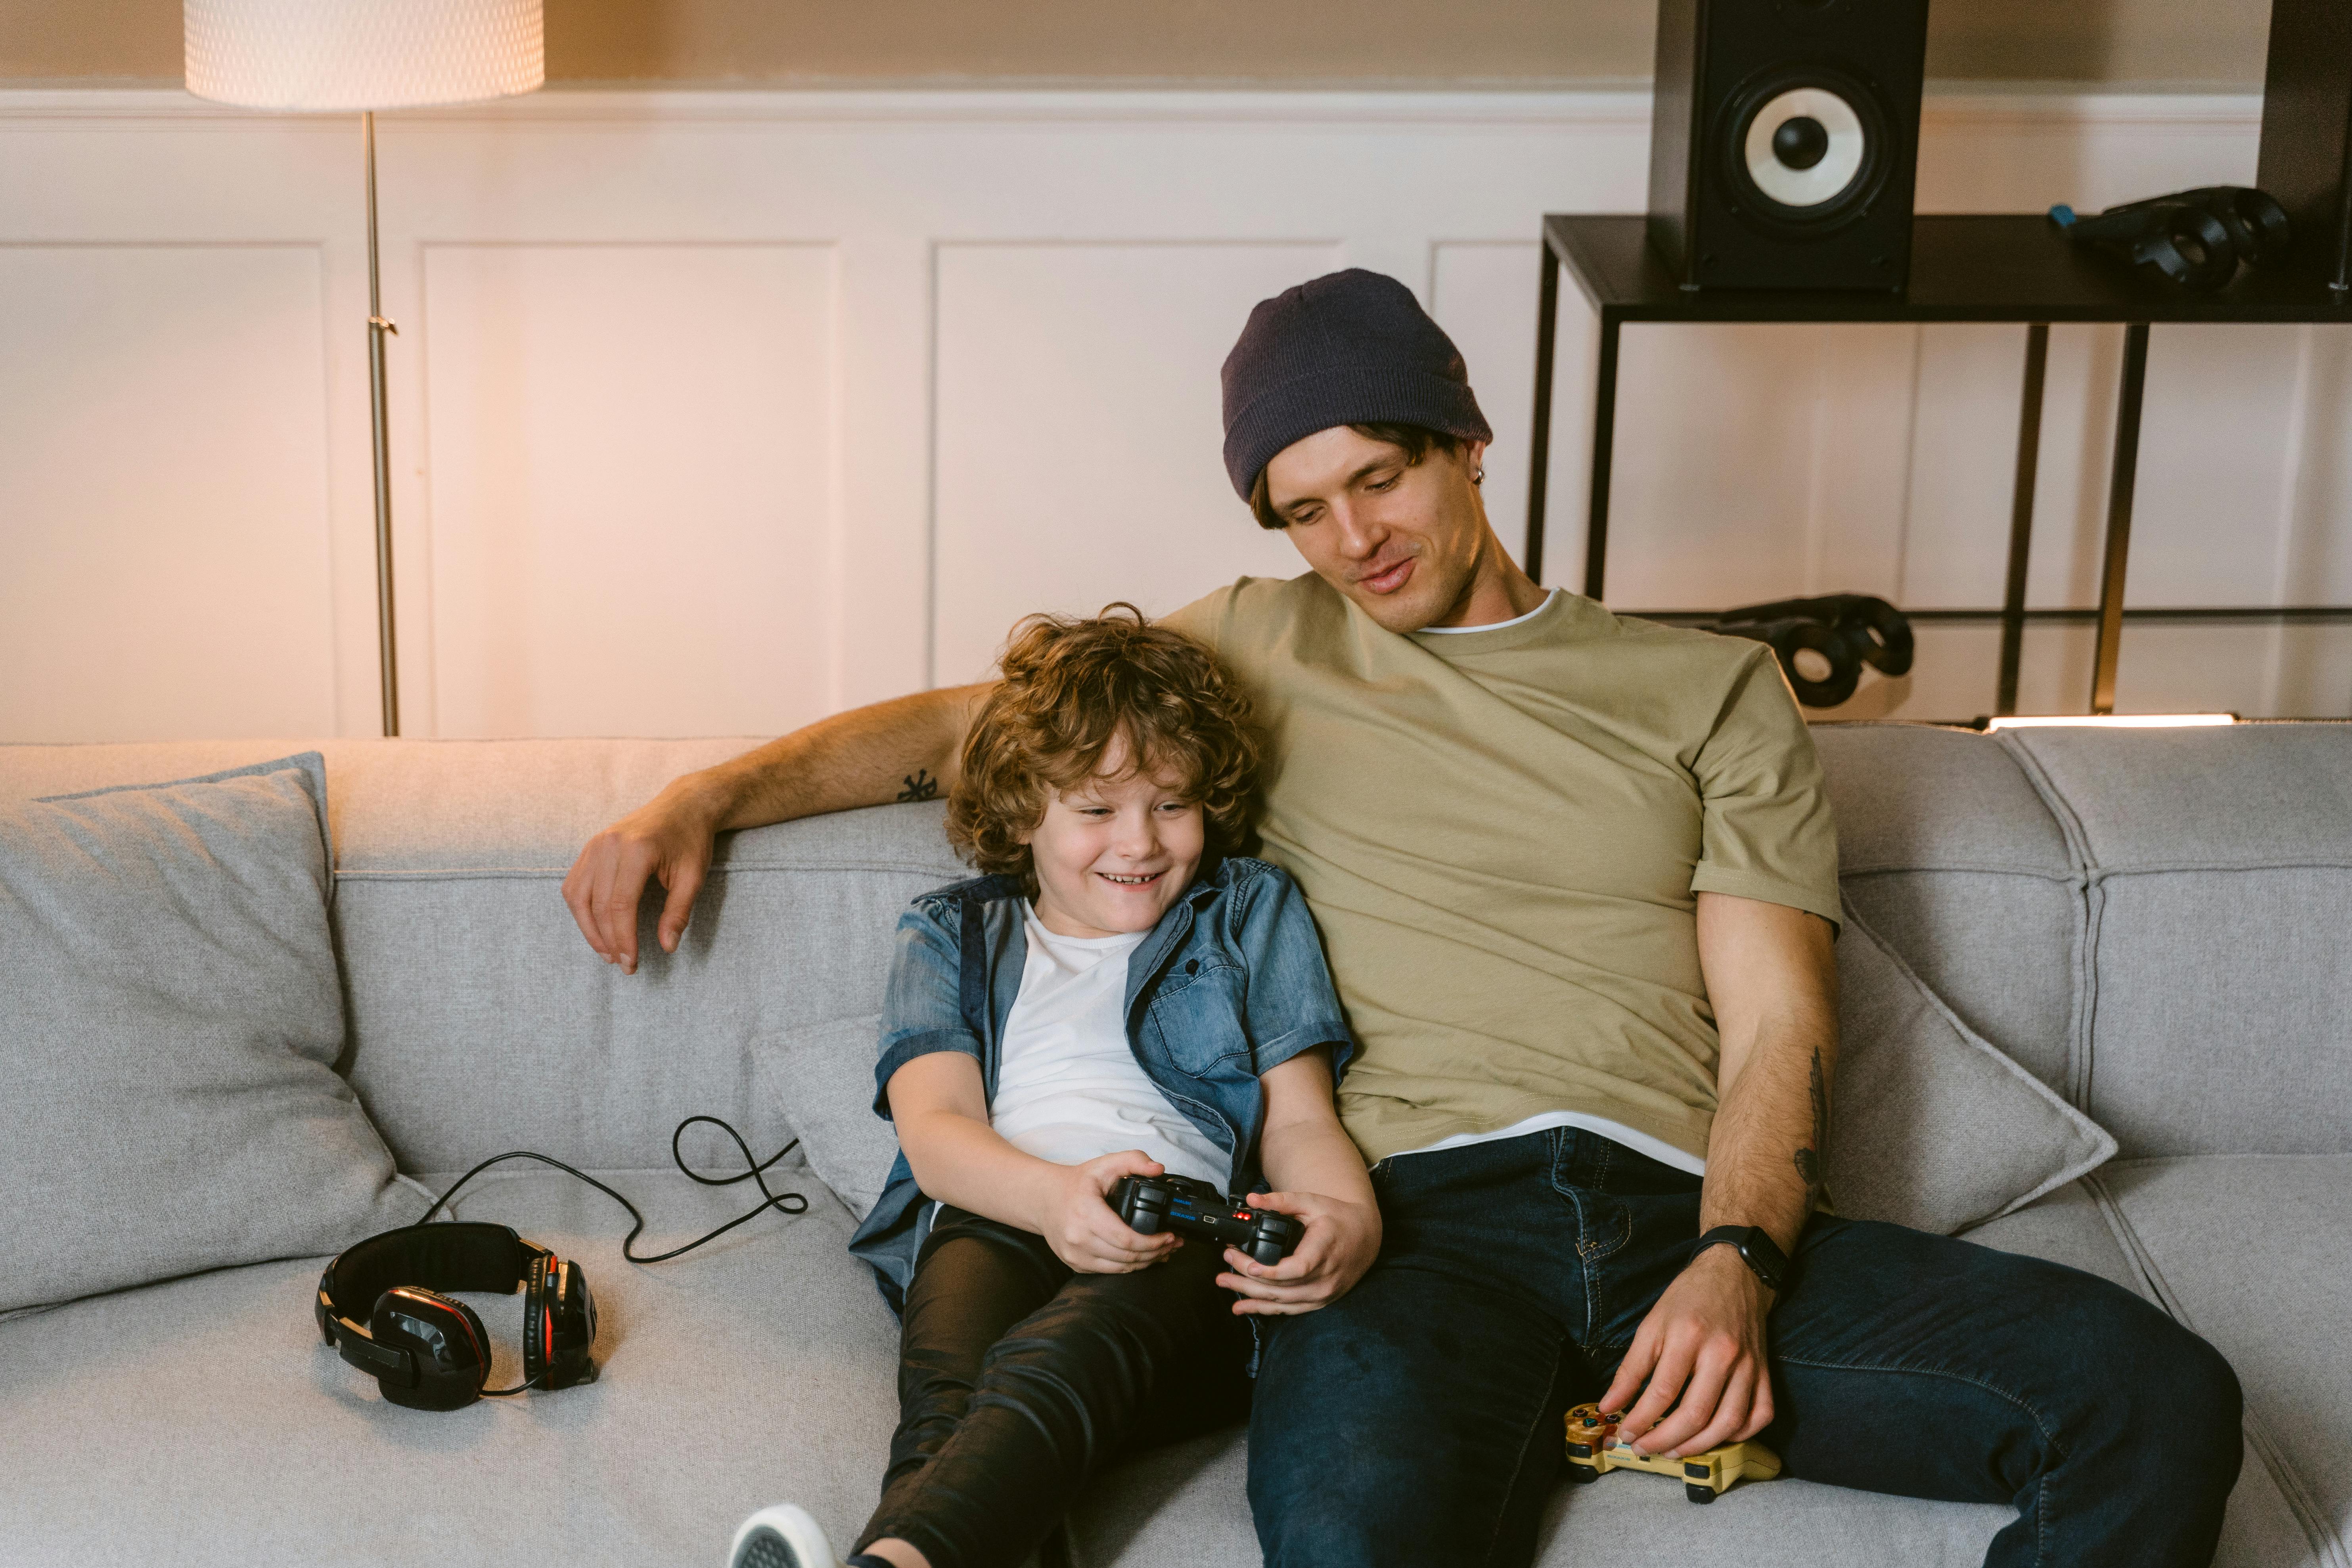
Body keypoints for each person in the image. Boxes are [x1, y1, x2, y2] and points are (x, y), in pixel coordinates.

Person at [570, 270, 2244, 1568]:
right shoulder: (1259, 643)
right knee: (1357, 1536)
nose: (1353, 539)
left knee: (2156, 1398)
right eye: (1304, 508)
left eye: (1380, 477)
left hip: (1675, 1210)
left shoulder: (1706, 689)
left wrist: (1736, 1262)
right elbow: (979, 726)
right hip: (1410, 1236)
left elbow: (1779, 1025)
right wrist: (702, 797)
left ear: (1467, 444)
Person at [727, 608, 1373, 1568]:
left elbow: (1300, 1115)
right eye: (1097, 808)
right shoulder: (950, 931)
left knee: (1050, 1361)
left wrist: (1346, 1217)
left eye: (1171, 803)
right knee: (949, 1405)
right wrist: (1052, 1198)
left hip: (1179, 1230)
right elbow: (936, 1130)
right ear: (1026, 806)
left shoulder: (1246, 909)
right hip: (999, 1210)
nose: (1141, 842)